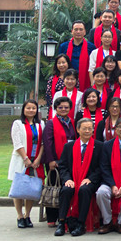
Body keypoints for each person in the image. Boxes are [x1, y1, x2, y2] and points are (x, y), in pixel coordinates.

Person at [55, 118, 104, 237]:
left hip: (90, 180)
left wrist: (90, 179)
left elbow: (101, 167)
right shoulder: (69, 146)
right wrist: (67, 179)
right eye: (84, 128)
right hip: (72, 179)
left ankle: (80, 224)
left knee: (84, 190)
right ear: (78, 130)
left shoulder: (99, 146)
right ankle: (61, 222)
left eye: (90, 129)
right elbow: (63, 166)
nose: (87, 131)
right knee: (66, 190)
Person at [9, 99, 44, 229]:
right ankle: (19, 216)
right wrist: (25, 158)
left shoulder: (41, 124)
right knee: (19, 187)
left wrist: (38, 159)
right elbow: (17, 143)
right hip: (21, 160)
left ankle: (27, 215)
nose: (31, 110)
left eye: (33, 108)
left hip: (35, 161)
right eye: (28, 108)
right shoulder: (18, 124)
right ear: (23, 109)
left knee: (31, 188)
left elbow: (42, 143)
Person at [42, 96, 76, 227]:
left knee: (65, 189)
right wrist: (51, 160)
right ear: (55, 108)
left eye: (66, 107)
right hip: (54, 161)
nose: (63, 109)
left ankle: (64, 215)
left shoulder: (72, 122)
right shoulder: (51, 123)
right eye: (60, 107)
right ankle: (51, 217)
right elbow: (47, 143)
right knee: (53, 188)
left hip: (68, 160)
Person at [59, 20, 96, 90]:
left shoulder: (91, 47)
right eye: (76, 29)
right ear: (72, 31)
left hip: (85, 80)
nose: (78, 32)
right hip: (67, 80)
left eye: (81, 29)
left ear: (85, 32)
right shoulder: (63, 46)